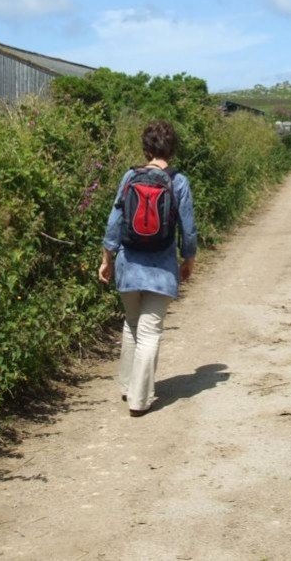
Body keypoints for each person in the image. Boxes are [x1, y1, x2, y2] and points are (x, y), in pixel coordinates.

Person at [98, 120, 197, 417]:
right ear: (173, 149)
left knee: (131, 323)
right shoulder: (178, 181)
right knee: (150, 330)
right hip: (162, 268)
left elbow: (114, 222)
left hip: (129, 264)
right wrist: (188, 259)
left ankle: (128, 386)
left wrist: (107, 258)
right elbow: (188, 229)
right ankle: (140, 400)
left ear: (146, 148)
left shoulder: (130, 176)